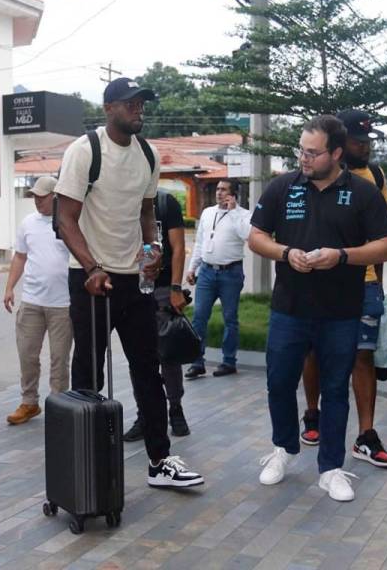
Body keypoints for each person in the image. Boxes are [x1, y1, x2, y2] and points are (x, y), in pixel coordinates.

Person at [54, 77, 204, 488]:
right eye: (130, 103)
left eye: (142, 103)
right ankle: (82, 465)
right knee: (88, 373)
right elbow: (64, 219)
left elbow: (145, 210)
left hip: (134, 281)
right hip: (90, 280)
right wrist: (90, 267)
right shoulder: (85, 151)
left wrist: (151, 247)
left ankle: (160, 461)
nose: (139, 110)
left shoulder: (148, 154)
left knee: (148, 369)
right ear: (108, 108)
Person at [248, 115, 387, 502]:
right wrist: (286, 252)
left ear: (335, 153)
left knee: (334, 389)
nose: (304, 158)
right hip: (289, 309)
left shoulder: (362, 192)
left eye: (313, 152)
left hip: (341, 311)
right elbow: (256, 237)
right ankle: (283, 448)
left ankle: (330, 468)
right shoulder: (284, 187)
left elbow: (386, 247)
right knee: (279, 381)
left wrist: (342, 255)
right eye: (301, 150)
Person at [299, 110, 387, 469]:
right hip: (318, 283)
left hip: (364, 283)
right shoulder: (311, 175)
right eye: (358, 140)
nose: (365, 146)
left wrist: (379, 289)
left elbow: (382, 237)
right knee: (312, 352)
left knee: (363, 355)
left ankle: (366, 436)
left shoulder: (375, 178)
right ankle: (313, 415)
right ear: (339, 147)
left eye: (368, 140)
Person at [3, 175, 72, 425]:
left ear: (55, 197)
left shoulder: (68, 223)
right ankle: (29, 402)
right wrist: (10, 287)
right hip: (32, 300)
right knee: (27, 355)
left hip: (62, 304)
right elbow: (20, 257)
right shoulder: (27, 224)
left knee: (59, 359)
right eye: (34, 196)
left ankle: (59, 405)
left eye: (41, 196)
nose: (36, 200)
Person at [123, 190, 191, 441]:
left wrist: (175, 288)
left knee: (167, 354)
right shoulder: (123, 200)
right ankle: (145, 415)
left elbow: (179, 247)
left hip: (161, 289)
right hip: (131, 289)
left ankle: (175, 409)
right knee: (138, 357)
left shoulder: (165, 202)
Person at [185, 180, 251, 379]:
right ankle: (197, 362)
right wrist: (192, 267)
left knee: (230, 319)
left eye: (224, 190)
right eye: (218, 190)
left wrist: (232, 212)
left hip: (230, 273)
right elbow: (200, 242)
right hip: (206, 272)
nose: (219, 193)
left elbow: (246, 235)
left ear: (233, 194)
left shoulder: (243, 215)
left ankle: (229, 361)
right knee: (199, 317)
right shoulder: (207, 212)